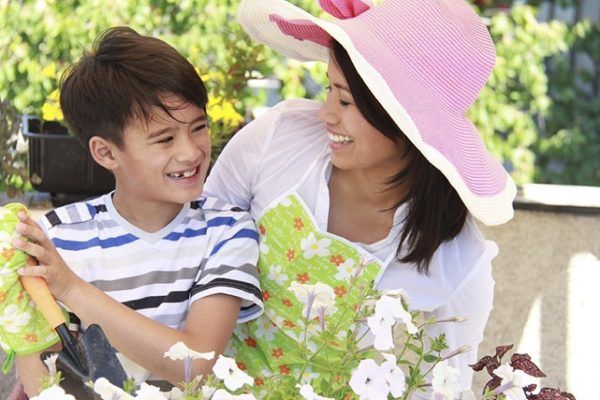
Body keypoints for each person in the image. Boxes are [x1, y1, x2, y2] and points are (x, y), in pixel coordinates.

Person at [203, 0, 516, 395]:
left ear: (402, 120)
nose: (327, 115)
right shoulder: (277, 139)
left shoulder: (458, 261)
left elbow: (441, 387)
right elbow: (198, 243)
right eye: (329, 90)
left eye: (345, 101)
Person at [12, 26, 262, 396]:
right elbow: (44, 382)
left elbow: (196, 364)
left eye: (199, 128)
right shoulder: (56, 237)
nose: (192, 152)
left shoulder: (227, 230)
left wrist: (70, 288)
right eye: (165, 139)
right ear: (106, 153)